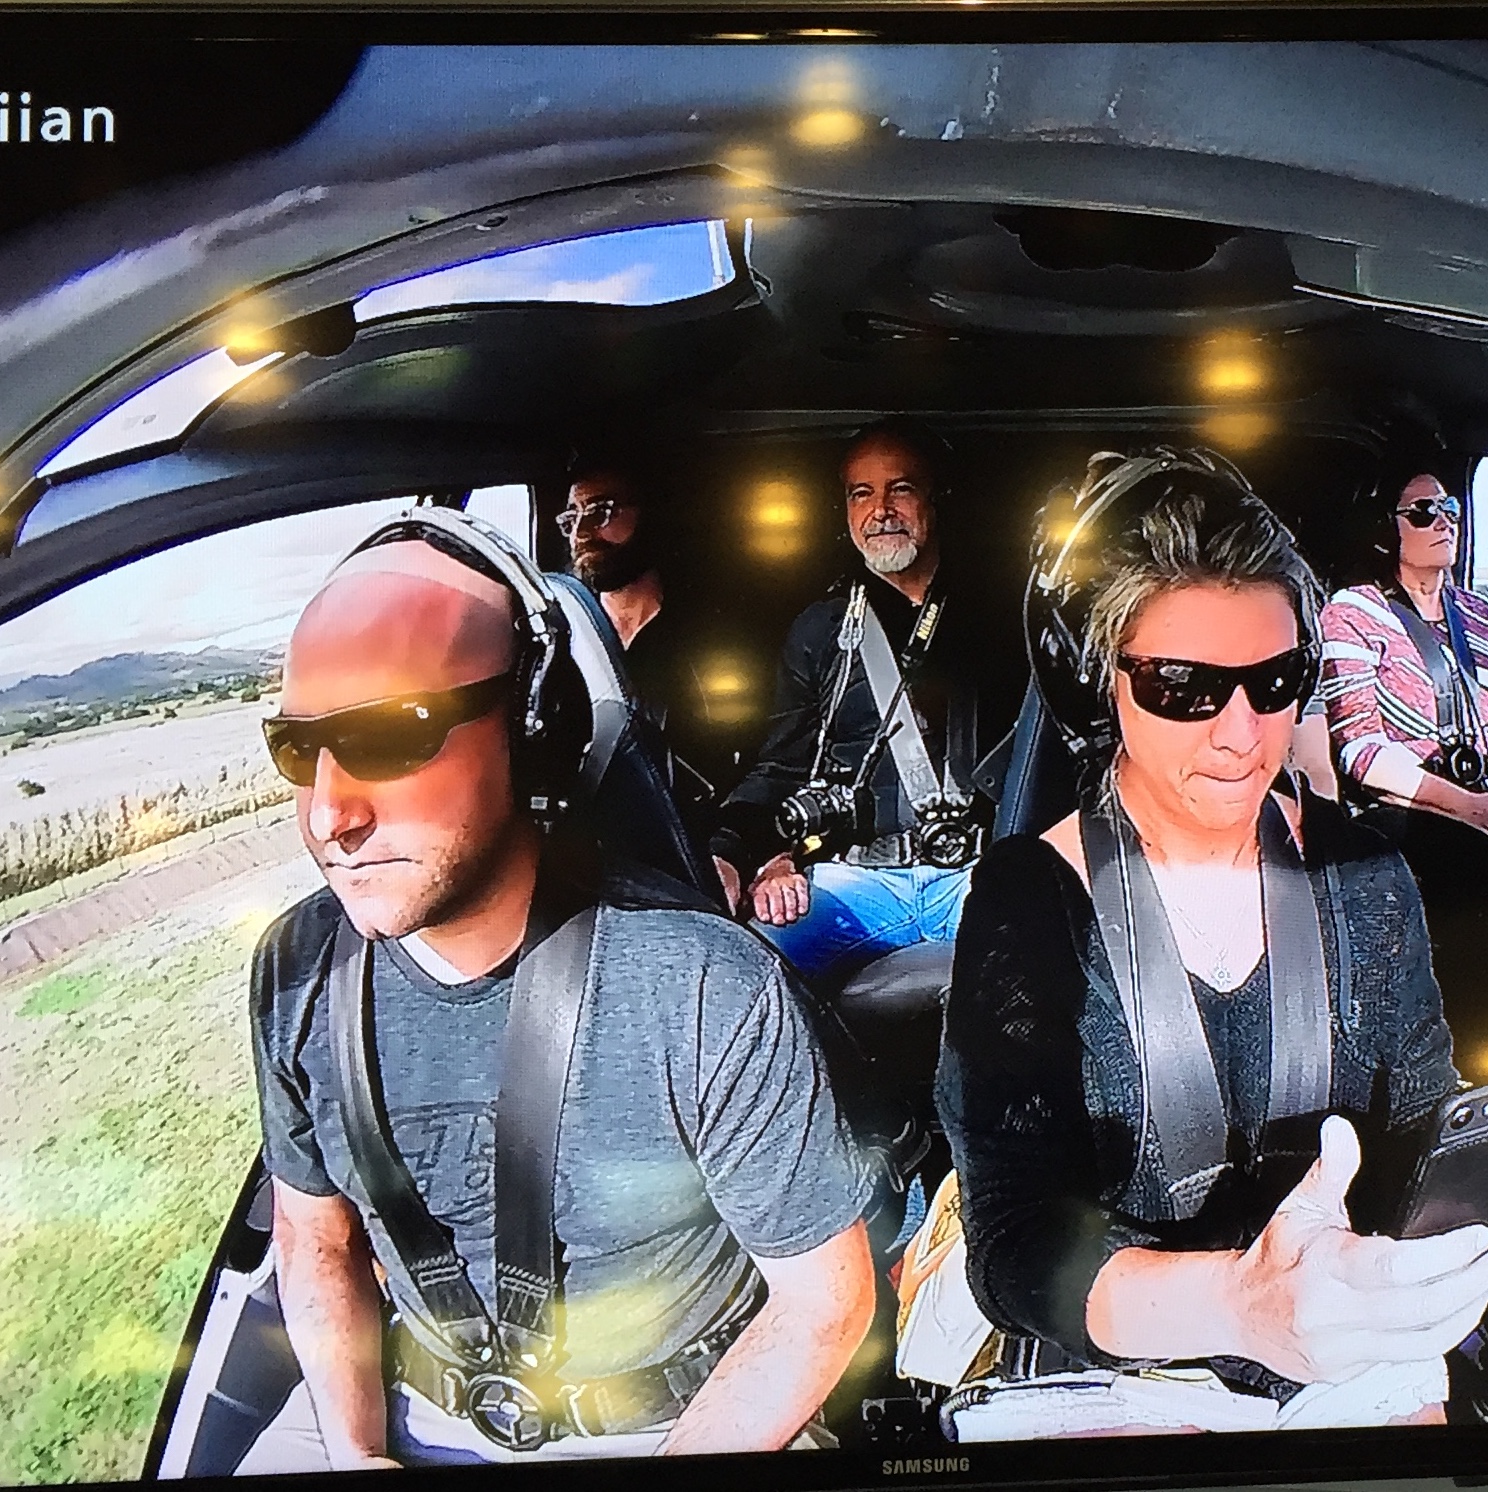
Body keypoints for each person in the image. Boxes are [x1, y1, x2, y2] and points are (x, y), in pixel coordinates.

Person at [933, 449, 1488, 1437]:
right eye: (1182, 685)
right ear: (1101, 685)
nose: (1242, 732)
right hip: (1131, 1368)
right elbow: (1014, 1243)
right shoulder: (1027, 906)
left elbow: (1418, 1113)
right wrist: (1240, 1306)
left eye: (1276, 680)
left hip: (1348, 1340)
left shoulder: (1368, 878)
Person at [236, 515, 875, 1470]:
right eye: (300, 750)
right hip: (404, 1407)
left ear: (532, 731)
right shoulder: (297, 968)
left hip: (682, 1427)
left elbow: (824, 1303)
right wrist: (355, 1452)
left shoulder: (704, 983)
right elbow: (312, 1235)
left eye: (390, 738)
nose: (331, 816)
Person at [712, 417, 1022, 988]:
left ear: (935, 498)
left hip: (979, 874)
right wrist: (731, 855)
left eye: (900, 489)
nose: (881, 510)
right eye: (862, 493)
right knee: (742, 972)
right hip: (856, 881)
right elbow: (780, 767)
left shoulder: (1008, 619)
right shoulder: (821, 630)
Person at [1318, 461, 1488, 1054]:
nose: (1444, 522)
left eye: (1450, 509)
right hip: (1414, 818)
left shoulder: (1484, 617)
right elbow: (1359, 751)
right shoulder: (1353, 613)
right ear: (1387, 530)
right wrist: (1467, 807)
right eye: (1423, 512)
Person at [560, 450, 731, 846]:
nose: (581, 533)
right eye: (572, 518)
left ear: (650, 514)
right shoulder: (560, 635)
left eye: (602, 512)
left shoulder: (709, 637)